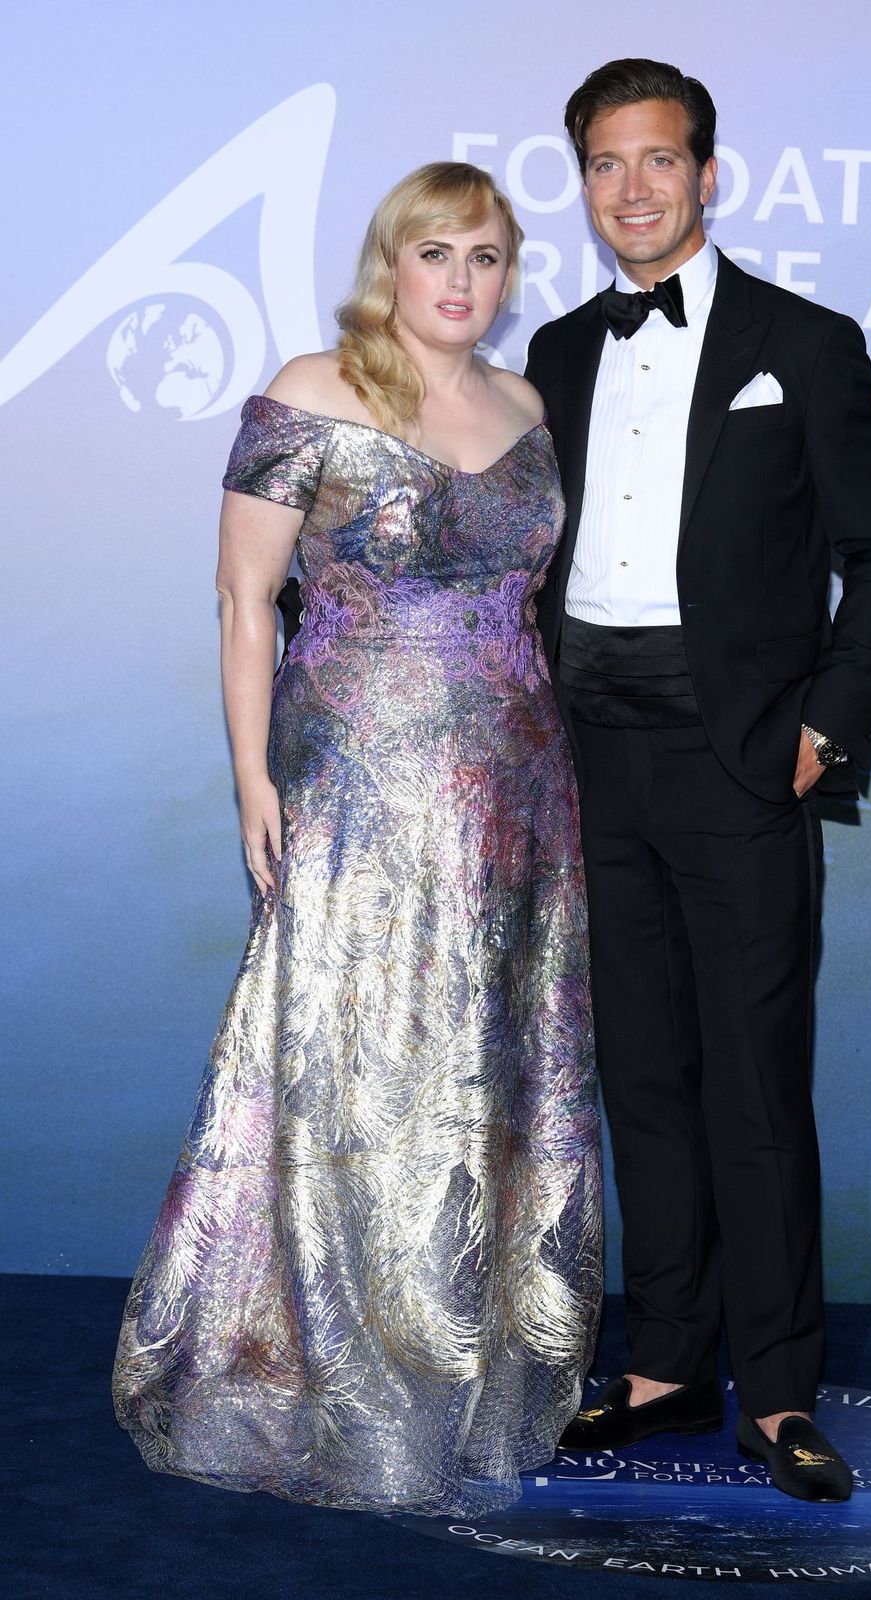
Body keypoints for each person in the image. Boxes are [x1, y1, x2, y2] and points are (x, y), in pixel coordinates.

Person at [112, 162, 602, 1517]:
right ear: (391, 262)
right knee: (355, 1063)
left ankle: (469, 1366)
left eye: (488, 257)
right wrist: (250, 781)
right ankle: (324, 1371)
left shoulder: (527, 406)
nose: (461, 279)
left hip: (517, 795)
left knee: (489, 1077)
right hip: (359, 793)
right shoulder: (313, 387)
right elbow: (239, 599)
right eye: (435, 251)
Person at [525, 59, 871, 1503]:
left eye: (658, 160)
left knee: (752, 1085)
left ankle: (781, 1389)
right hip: (588, 759)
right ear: (582, 182)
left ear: (706, 172)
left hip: (737, 759)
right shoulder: (560, 353)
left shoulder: (802, 343)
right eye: (604, 165)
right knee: (642, 1075)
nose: (631, 188)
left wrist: (828, 721)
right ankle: (663, 1361)